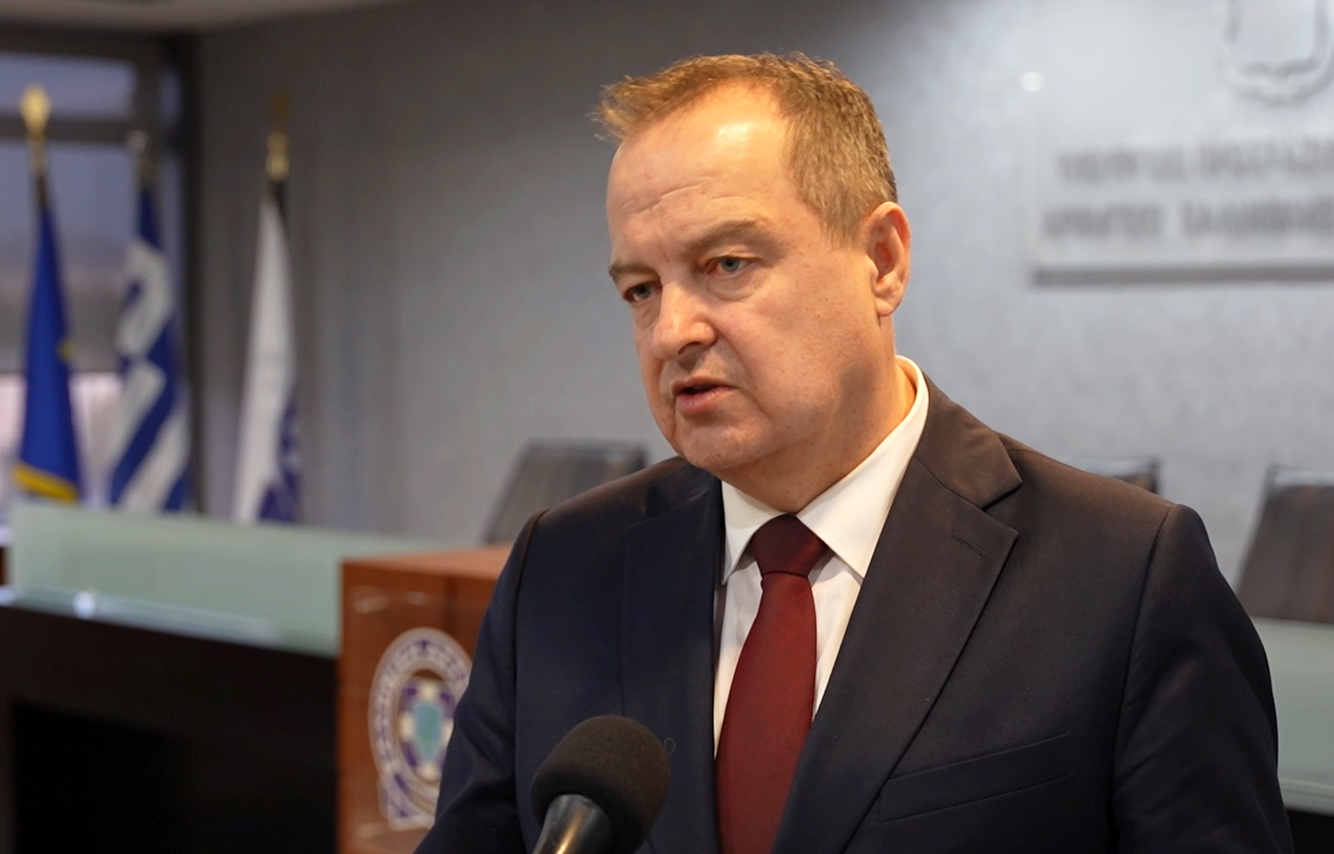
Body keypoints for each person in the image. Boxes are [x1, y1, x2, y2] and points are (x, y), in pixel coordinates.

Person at [417, 53, 1292, 854]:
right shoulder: (561, 570)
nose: (673, 331)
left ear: (882, 260)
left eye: (726, 264)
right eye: (641, 290)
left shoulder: (1123, 577)